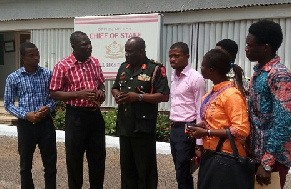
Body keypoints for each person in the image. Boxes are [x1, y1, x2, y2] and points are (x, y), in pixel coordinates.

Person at [49, 31, 106, 189]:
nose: (89, 46)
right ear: (74, 47)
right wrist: (78, 94)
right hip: (75, 117)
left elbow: (101, 83)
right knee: (74, 160)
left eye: (89, 43)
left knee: (98, 159)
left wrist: (101, 91)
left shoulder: (94, 62)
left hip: (95, 116)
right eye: (84, 44)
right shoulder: (63, 66)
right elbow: (54, 92)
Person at [111, 36, 170, 189]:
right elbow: (115, 86)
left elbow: (163, 95)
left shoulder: (155, 69)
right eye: (126, 52)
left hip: (143, 127)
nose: (126, 55)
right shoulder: (124, 67)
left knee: (145, 170)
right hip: (126, 125)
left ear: (141, 51)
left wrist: (138, 97)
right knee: (127, 169)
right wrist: (117, 94)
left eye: (130, 52)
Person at [188, 49, 250, 188]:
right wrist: (202, 126)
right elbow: (216, 121)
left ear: (211, 70)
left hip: (227, 158)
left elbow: (241, 130)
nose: (200, 68)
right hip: (211, 154)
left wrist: (207, 133)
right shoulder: (214, 92)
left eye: (202, 65)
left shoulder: (231, 94)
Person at [245, 20, 291, 189]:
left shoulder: (279, 75)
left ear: (265, 48)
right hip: (256, 155)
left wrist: (267, 162)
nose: (246, 48)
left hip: (272, 160)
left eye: (250, 45)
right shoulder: (260, 73)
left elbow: (284, 122)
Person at [4, 42, 57, 189]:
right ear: (23, 58)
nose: (36, 58)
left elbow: (54, 96)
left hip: (46, 124)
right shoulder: (13, 78)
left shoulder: (47, 74)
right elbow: (8, 103)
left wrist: (48, 108)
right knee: (25, 166)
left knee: (50, 166)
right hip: (26, 126)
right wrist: (26, 115)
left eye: (37, 54)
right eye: (31, 55)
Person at [168, 42, 206, 189]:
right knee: (180, 170)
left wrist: (199, 144)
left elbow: (200, 110)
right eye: (170, 56)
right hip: (175, 128)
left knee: (183, 170)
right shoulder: (174, 76)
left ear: (187, 56)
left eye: (176, 56)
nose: (172, 59)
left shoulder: (196, 78)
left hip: (188, 129)